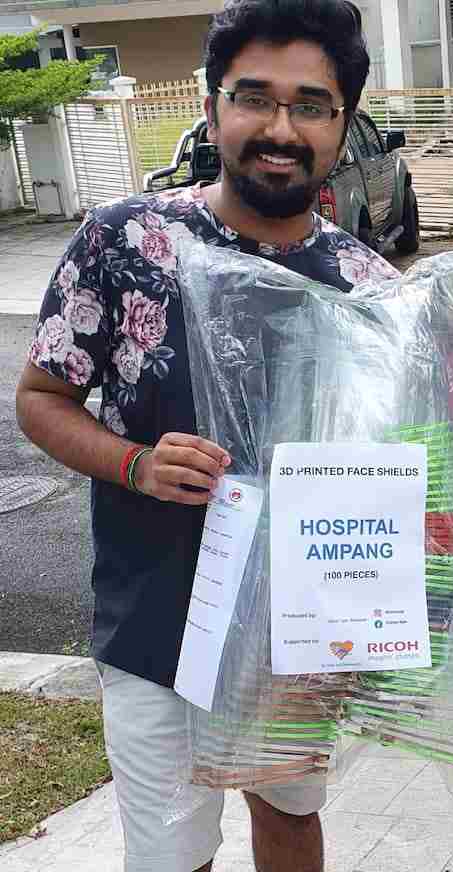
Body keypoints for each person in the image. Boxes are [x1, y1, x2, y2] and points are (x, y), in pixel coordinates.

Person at [15, 2, 397, 870]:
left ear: (344, 122)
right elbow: (40, 398)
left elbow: (397, 463)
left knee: (291, 816)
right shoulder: (127, 241)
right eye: (253, 97)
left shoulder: (366, 284)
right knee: (170, 852)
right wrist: (136, 462)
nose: (279, 127)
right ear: (213, 101)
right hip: (157, 621)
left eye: (312, 104)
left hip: (301, 631)